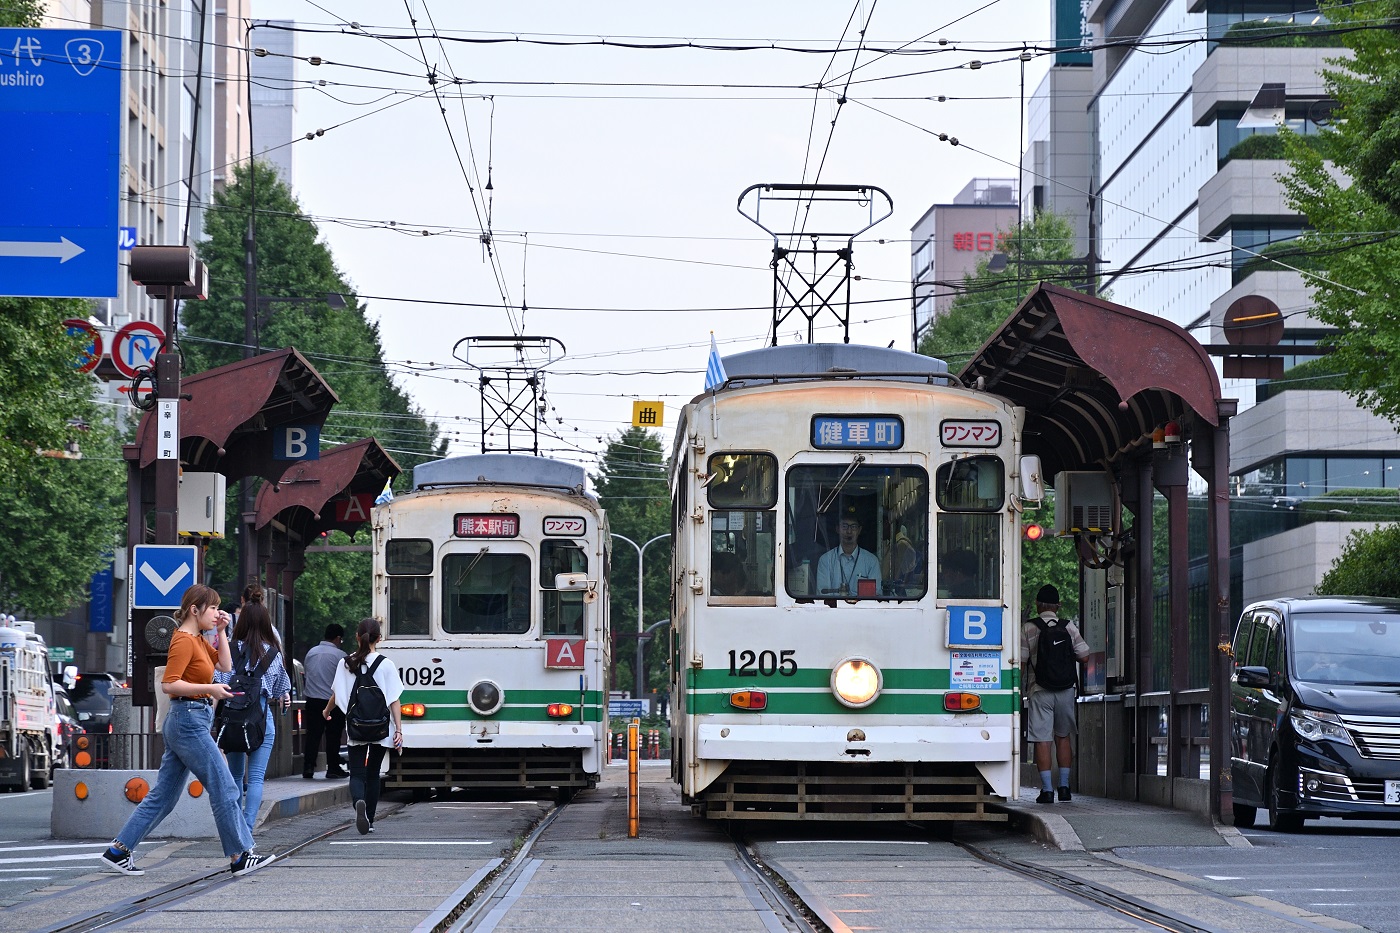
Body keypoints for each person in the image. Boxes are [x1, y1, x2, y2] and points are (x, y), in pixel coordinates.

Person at [100, 585, 276, 877]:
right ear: (194, 610)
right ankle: (240, 856)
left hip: (190, 720)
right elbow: (169, 684)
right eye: (212, 609)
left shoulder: (197, 639)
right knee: (225, 787)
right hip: (188, 719)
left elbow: (225, 665)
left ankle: (118, 851)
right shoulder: (183, 640)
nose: (217, 613)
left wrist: (220, 631)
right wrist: (210, 688)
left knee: (164, 797)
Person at [217, 598, 292, 832]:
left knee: (236, 775)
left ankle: (234, 827)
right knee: (257, 778)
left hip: (232, 718)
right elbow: (282, 691)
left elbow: (217, 681)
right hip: (260, 719)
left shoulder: (227, 649)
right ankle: (248, 828)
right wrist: (284, 698)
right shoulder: (273, 654)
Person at [329, 618, 404, 835]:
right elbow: (394, 700)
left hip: (356, 726)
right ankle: (369, 820)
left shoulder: (345, 663)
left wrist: (326, 712)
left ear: (356, 636)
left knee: (357, 773)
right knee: (373, 774)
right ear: (379, 639)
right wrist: (398, 729)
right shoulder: (386, 664)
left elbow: (336, 695)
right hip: (381, 727)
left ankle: (358, 802)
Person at [1020, 584, 1090, 804]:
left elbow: (1021, 663)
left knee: (1042, 740)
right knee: (1063, 737)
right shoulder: (1068, 627)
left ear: (1039, 605)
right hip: (1066, 689)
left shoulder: (1028, 628)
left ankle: (1047, 790)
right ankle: (1065, 788)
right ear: (1058, 606)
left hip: (1039, 690)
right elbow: (1085, 656)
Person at [302, 623, 348, 779]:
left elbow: (307, 675)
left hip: (313, 700)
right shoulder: (340, 656)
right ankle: (333, 768)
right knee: (333, 736)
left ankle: (308, 766)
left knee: (313, 735)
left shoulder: (311, 653)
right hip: (332, 702)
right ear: (338, 638)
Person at [815, 507, 881, 597]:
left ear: (859, 530)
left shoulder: (871, 561)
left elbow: (875, 596)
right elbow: (823, 595)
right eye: (844, 526)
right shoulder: (826, 560)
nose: (849, 531)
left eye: (853, 527)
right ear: (837, 529)